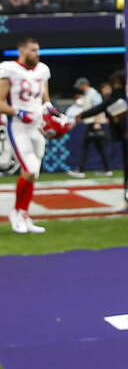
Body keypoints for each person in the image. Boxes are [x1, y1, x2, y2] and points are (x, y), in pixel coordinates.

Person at [1, 37, 53, 233]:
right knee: (29, 170)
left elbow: (46, 100)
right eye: (33, 50)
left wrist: (55, 117)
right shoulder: (9, 69)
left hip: (37, 127)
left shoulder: (43, 70)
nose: (37, 54)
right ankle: (16, 212)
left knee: (33, 174)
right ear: (22, 51)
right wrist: (19, 112)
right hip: (18, 126)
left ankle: (23, 213)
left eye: (38, 50)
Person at [77, 74, 128, 201]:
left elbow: (100, 107)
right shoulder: (121, 96)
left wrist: (82, 115)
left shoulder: (117, 97)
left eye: (115, 84)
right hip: (127, 134)